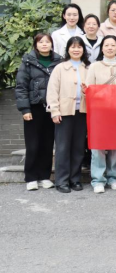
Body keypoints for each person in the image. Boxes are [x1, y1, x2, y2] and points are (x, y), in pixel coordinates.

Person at [15, 33, 62, 191]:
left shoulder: (58, 62)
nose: (44, 44)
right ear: (36, 45)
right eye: (41, 42)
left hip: (52, 108)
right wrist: (25, 109)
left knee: (47, 144)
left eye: (47, 42)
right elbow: (21, 87)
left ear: (51, 44)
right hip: (34, 108)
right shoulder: (28, 62)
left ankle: (44, 176)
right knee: (33, 144)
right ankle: (31, 177)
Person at [46, 36, 89, 193]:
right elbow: (52, 91)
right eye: (73, 47)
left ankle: (75, 179)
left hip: (82, 112)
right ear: (68, 49)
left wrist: (86, 91)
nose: (76, 50)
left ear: (83, 50)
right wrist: (54, 111)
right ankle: (61, 181)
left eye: (79, 47)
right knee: (63, 147)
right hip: (64, 112)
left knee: (78, 148)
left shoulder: (88, 68)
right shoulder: (60, 68)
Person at [84, 35, 116, 194]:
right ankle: (98, 179)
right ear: (102, 48)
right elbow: (89, 89)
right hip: (99, 112)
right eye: (106, 45)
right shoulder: (94, 67)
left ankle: (113, 177)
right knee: (98, 146)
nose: (109, 48)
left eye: (113, 45)